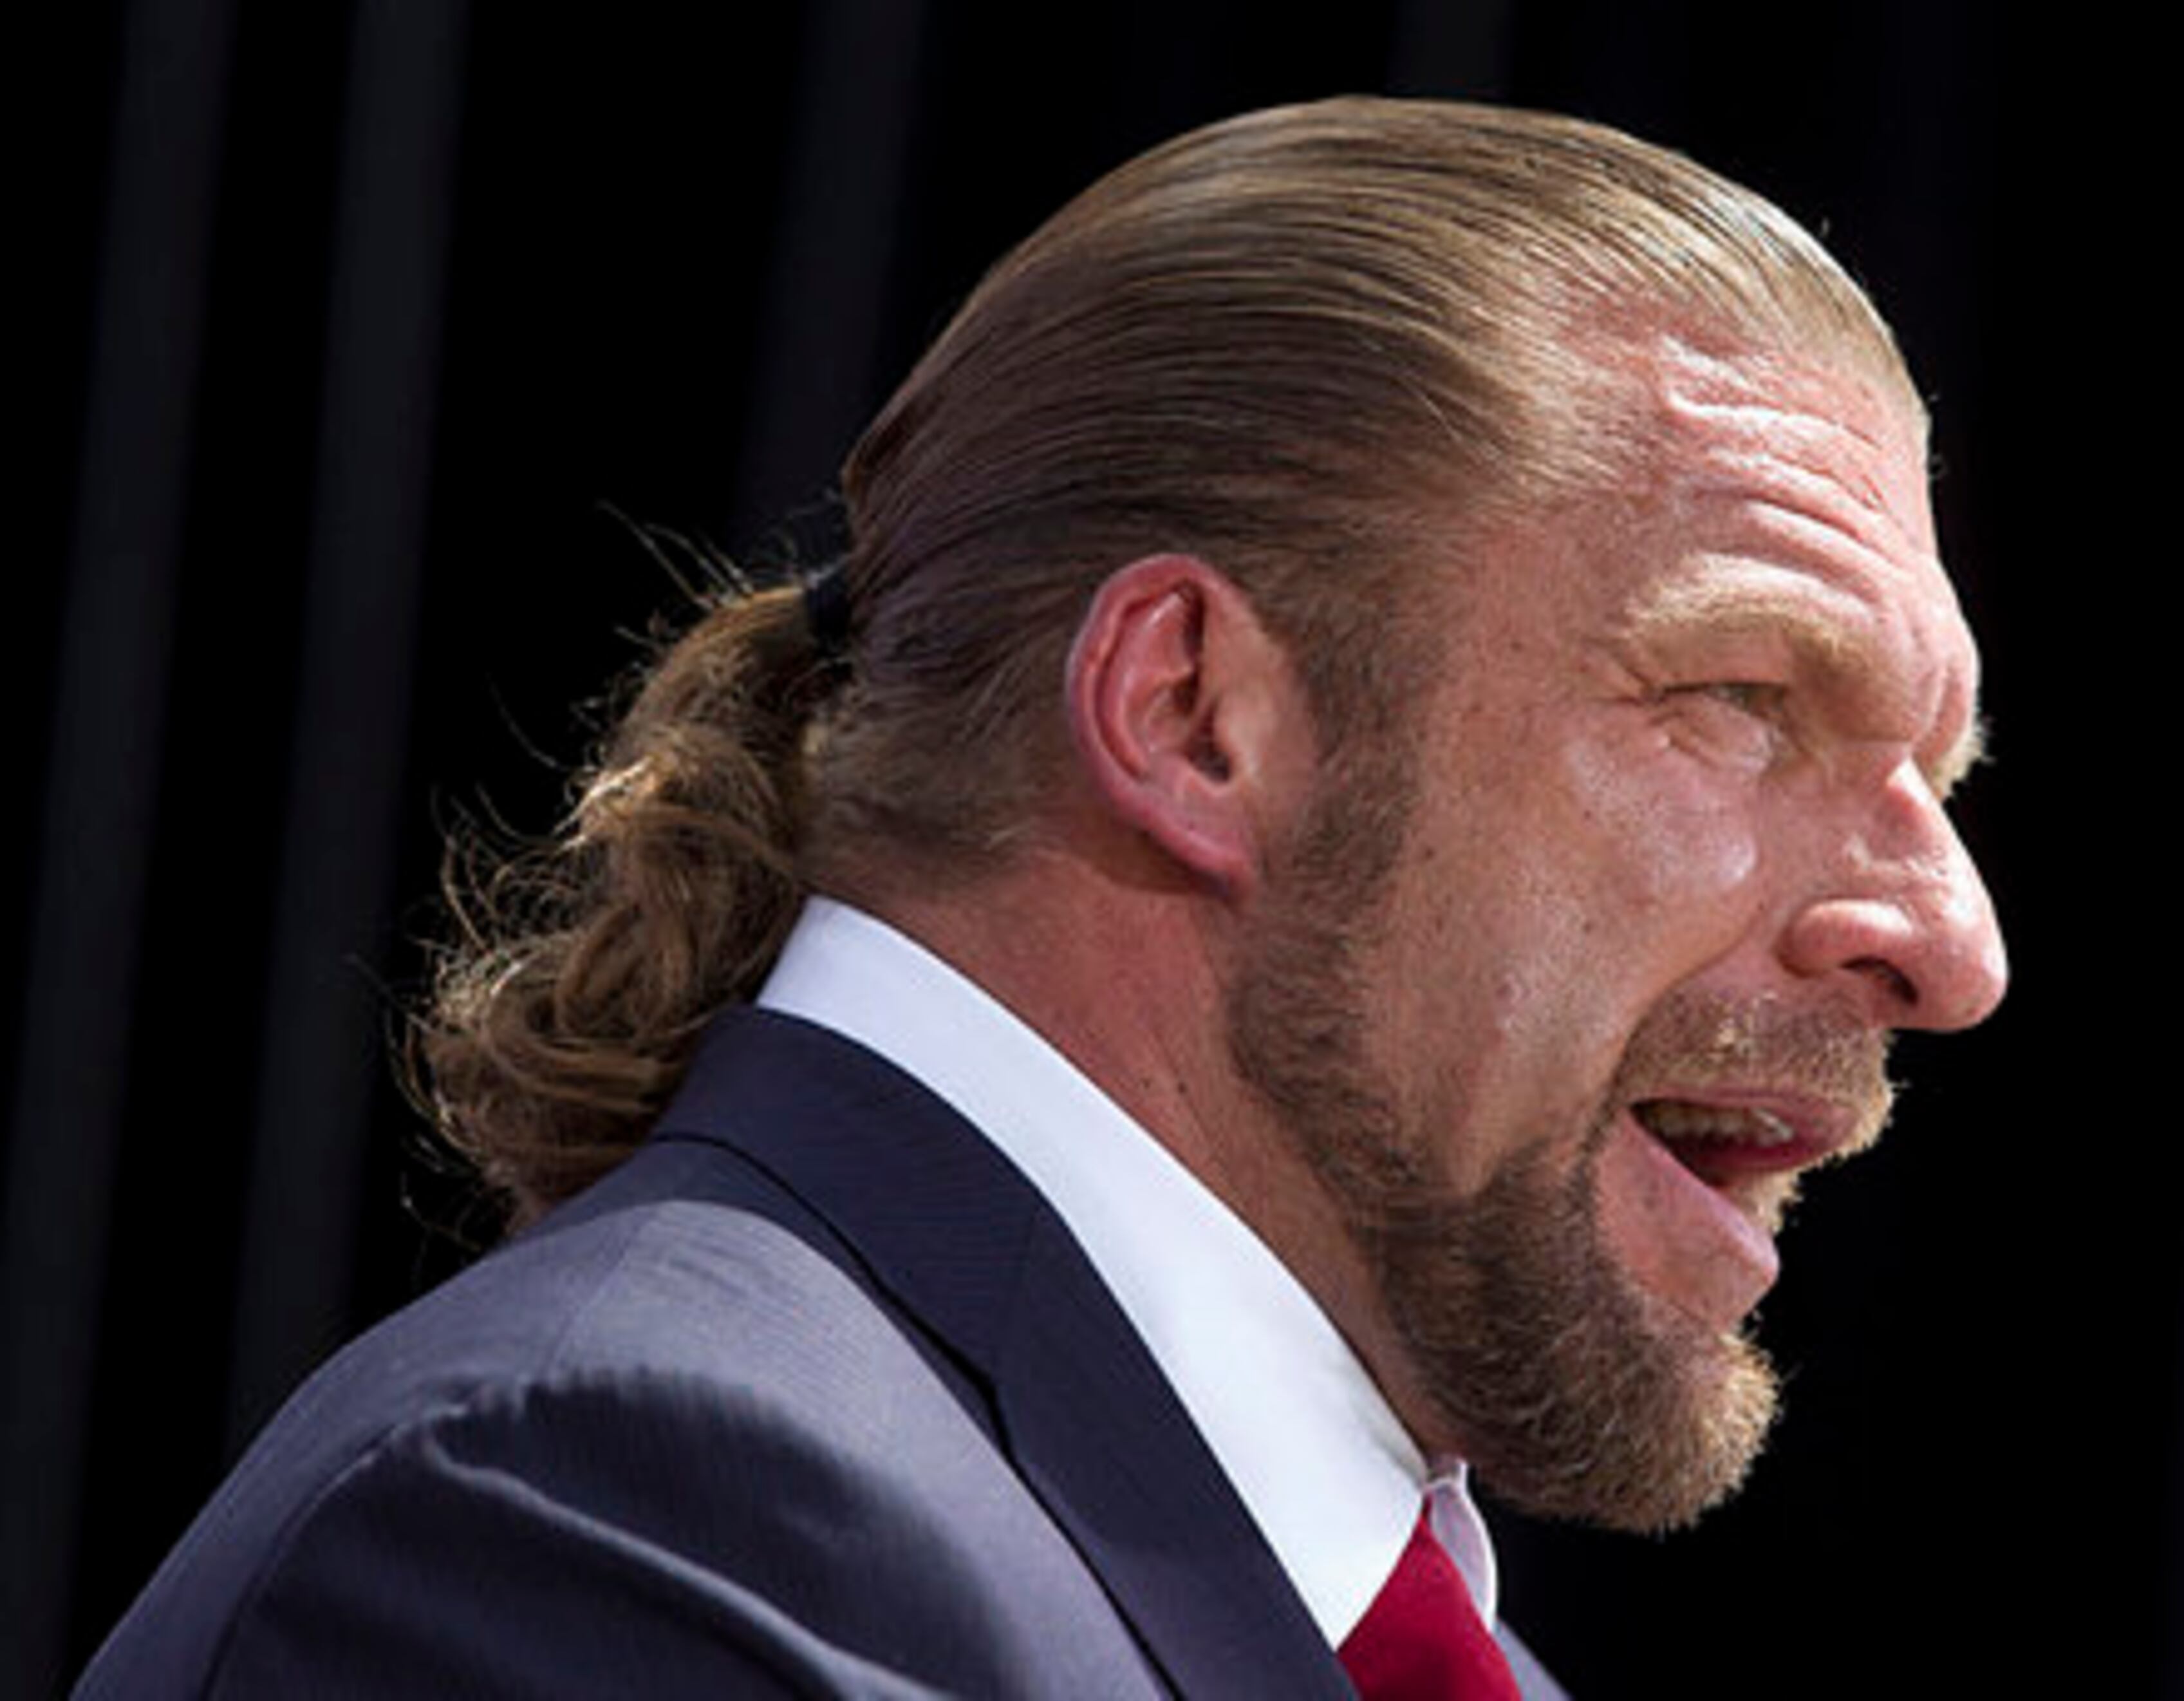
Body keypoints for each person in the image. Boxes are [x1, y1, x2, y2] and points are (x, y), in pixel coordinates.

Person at [76, 95, 2006, 1698]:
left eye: (1943, 774)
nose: (1951, 945)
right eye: (1748, 700)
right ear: (1189, 716)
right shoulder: (598, 1533)